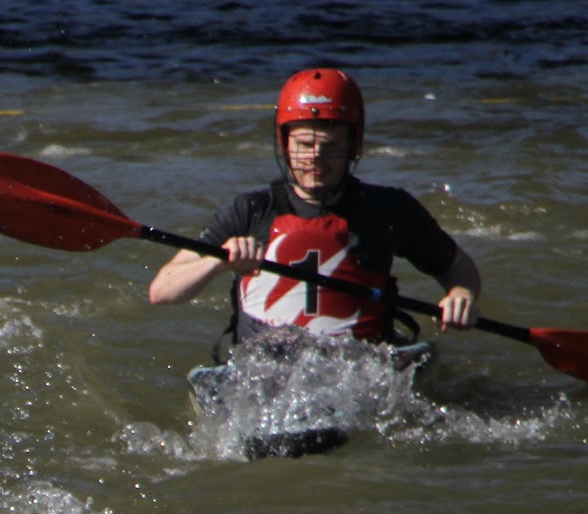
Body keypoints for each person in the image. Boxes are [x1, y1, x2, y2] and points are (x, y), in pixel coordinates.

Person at [147, 68, 480, 349]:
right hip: (264, 374)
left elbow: (458, 268)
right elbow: (162, 291)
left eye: (330, 146)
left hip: (359, 369)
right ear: (285, 144)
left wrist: (461, 294)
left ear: (353, 146)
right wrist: (216, 261)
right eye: (304, 145)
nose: (316, 159)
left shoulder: (389, 209)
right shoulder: (250, 211)